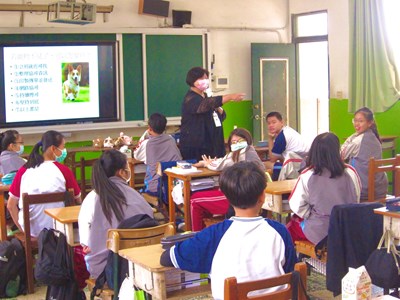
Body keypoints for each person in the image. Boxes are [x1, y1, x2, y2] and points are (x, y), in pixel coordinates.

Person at [160, 161, 297, 300]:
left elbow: (167, 258)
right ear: (263, 196)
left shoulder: (214, 235)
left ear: (227, 198)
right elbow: (291, 274)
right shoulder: (280, 232)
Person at [78, 149, 154, 278]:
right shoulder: (136, 195)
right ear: (121, 172)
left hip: (110, 272)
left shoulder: (92, 198)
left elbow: (85, 242)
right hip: (144, 265)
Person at [287, 132, 361, 244]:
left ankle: (301, 259)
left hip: (320, 232)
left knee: (289, 229)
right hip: (349, 230)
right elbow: (357, 198)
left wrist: (310, 214)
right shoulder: (351, 172)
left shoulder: (308, 174)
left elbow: (296, 205)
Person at [6, 130, 81, 237]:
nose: (64, 151)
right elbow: (78, 199)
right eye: (63, 147)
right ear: (53, 149)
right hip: (60, 230)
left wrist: (23, 230)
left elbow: (10, 205)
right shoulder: (63, 170)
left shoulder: (24, 170)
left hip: (31, 231)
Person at [190, 128, 265, 231]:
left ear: (246, 141)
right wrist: (208, 163)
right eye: (233, 142)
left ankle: (196, 235)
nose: (236, 144)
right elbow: (223, 161)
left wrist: (206, 163)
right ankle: (209, 230)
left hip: (239, 197)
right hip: (249, 195)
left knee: (195, 200)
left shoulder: (240, 153)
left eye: (239, 141)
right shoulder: (250, 151)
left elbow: (217, 166)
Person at [179, 66, 245, 161]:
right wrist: (230, 97)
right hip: (198, 146)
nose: (205, 81)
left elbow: (221, 115)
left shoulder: (206, 96)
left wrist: (217, 107)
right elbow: (205, 105)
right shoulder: (191, 98)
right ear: (192, 80)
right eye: (201, 78)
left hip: (215, 143)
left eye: (206, 78)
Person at [341, 107, 388, 201]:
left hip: (364, 189)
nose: (356, 124)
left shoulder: (358, 140)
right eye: (355, 120)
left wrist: (352, 137)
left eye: (361, 121)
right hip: (380, 187)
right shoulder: (374, 136)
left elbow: (341, 155)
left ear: (370, 123)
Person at [133, 113, 182, 196]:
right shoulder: (171, 139)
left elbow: (136, 155)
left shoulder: (148, 144)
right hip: (174, 184)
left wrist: (146, 134)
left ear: (149, 128)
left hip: (155, 187)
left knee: (140, 193)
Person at [264, 111, 309, 180]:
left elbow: (272, 159)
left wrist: (270, 139)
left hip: (297, 167)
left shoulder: (282, 137)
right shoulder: (288, 131)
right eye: (269, 123)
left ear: (282, 122)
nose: (271, 125)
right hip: (304, 164)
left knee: (264, 164)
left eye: (274, 122)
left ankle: (274, 186)